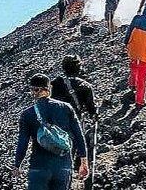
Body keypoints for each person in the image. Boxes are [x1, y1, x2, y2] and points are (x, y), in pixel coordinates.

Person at [12, 73, 89, 190]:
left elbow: (23, 142)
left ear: (33, 91)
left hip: (38, 166)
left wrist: (17, 165)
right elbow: (79, 135)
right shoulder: (66, 107)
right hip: (63, 166)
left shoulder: (27, 114)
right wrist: (84, 161)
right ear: (49, 89)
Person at [50, 55, 97, 190]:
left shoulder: (54, 84)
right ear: (79, 68)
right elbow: (91, 109)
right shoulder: (85, 87)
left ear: (63, 68)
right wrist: (94, 115)